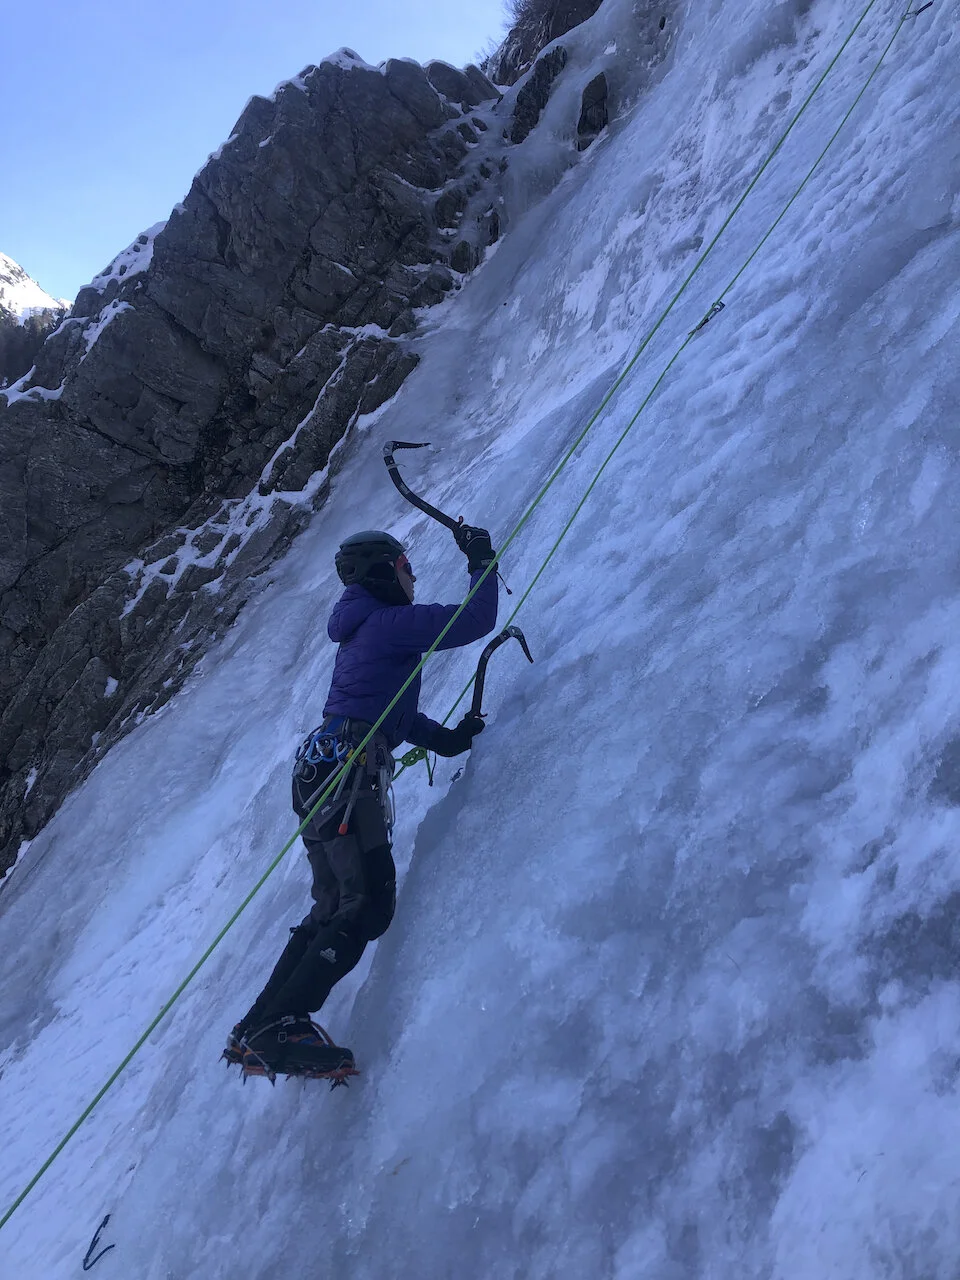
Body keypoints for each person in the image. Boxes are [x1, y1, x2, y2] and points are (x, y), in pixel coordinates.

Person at [225, 521, 498, 1078]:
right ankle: (277, 1026)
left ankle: (257, 1026)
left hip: (322, 768)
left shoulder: (363, 631)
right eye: (404, 566)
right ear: (383, 572)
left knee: (334, 904)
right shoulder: (389, 622)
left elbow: (386, 708)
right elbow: (476, 620)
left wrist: (445, 740)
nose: (412, 575)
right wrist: (481, 560)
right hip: (349, 769)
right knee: (368, 904)